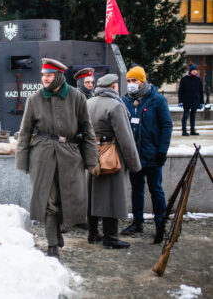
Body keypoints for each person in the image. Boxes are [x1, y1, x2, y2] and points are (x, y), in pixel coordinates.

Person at [15, 58, 98, 259]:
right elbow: (25, 132)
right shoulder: (34, 99)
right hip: (43, 155)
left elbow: (87, 130)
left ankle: (59, 230)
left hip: (70, 155)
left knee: (67, 197)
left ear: (59, 76)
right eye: (43, 75)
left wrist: (91, 160)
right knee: (49, 200)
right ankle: (52, 244)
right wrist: (22, 159)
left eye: (49, 75)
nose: (45, 79)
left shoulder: (77, 97)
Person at [87, 74, 142, 249]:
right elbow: (126, 138)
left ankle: (93, 233)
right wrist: (134, 164)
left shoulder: (88, 103)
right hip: (111, 154)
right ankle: (110, 238)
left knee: (92, 195)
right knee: (112, 195)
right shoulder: (116, 105)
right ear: (113, 87)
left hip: (92, 153)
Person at [121, 65, 173, 236]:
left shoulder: (157, 100)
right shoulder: (126, 100)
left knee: (155, 189)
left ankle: (161, 223)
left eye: (134, 80)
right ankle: (137, 223)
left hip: (151, 154)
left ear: (142, 82)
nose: (131, 84)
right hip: (134, 155)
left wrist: (162, 151)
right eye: (129, 81)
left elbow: (166, 125)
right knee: (136, 190)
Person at [178, 64, 204, 136]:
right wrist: (180, 101)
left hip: (195, 101)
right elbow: (180, 91)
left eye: (196, 71)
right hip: (186, 101)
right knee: (185, 116)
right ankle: (184, 131)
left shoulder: (198, 80)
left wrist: (202, 102)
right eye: (193, 71)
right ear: (190, 71)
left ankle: (192, 130)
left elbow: (201, 92)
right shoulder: (184, 79)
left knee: (193, 116)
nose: (195, 72)